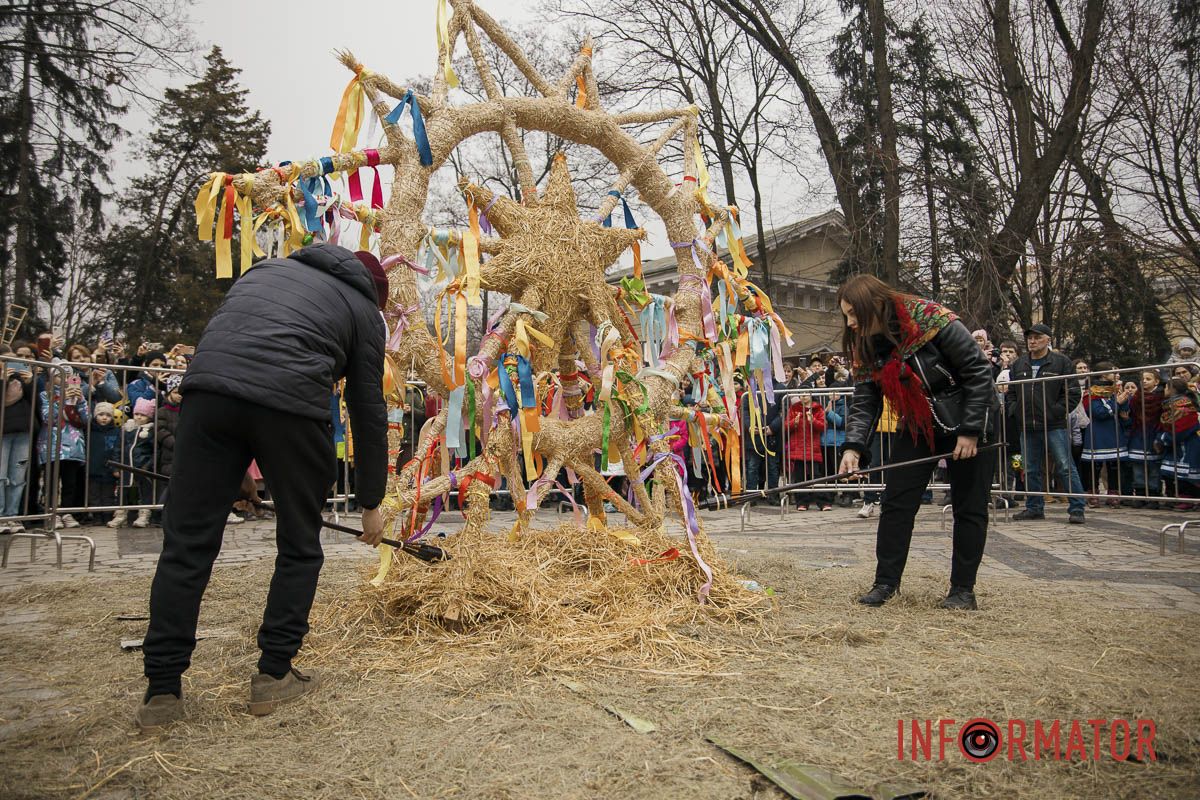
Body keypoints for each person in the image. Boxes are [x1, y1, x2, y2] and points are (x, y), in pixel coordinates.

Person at [136, 243, 389, 732]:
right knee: (299, 543)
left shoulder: (265, 270)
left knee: (186, 546)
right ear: (375, 293)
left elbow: (234, 361)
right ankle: (274, 672)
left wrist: (238, 473)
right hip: (292, 404)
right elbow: (366, 406)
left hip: (205, 398)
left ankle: (161, 690)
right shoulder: (363, 309)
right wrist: (371, 500)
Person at [836, 275, 998, 611]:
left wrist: (969, 431)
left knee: (969, 505)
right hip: (919, 422)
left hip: (968, 417)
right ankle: (885, 583)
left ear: (874, 306)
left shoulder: (931, 318)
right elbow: (866, 400)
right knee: (896, 501)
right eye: (846, 315)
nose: (850, 323)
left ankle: (962, 591)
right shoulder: (865, 342)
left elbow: (978, 371)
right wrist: (853, 447)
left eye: (854, 314)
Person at [1005, 324, 1086, 524]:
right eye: (1029, 338)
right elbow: (1011, 392)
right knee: (1030, 468)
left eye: (1037, 337)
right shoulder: (1019, 364)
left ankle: (1077, 508)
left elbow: (1073, 392)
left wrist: (1056, 411)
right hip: (1027, 424)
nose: (1032, 341)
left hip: (1054, 424)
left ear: (1048, 339)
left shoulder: (1061, 362)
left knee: (1065, 466)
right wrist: (1015, 409)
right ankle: (1034, 507)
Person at [1078, 363, 1131, 506]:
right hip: (1098, 434)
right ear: (1103, 374)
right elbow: (1099, 413)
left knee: (1114, 465)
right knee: (1095, 465)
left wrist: (1123, 400)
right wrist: (1117, 402)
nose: (1118, 375)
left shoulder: (1115, 391)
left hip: (1114, 432)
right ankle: (1092, 492)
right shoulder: (1091, 393)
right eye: (1114, 372)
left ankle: (1113, 492)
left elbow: (1123, 412)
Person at [1, 355, 35, 531]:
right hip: (3, 432)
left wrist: (30, 383)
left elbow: (35, 402)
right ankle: (0, 516)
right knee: (0, 476)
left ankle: (12, 516)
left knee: (17, 477)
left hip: (23, 430)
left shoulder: (21, 379)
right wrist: (2, 380)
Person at [1156, 377, 1200, 511]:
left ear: (1172, 389)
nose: (1164, 390)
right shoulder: (1170, 405)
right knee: (1174, 472)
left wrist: (1163, 439)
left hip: (1188, 444)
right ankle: (1181, 496)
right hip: (1177, 445)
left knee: (1187, 473)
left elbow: (1181, 429)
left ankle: (1189, 498)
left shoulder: (1184, 407)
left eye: (1166, 387)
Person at [1128, 370, 1165, 508]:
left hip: (1154, 433)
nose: (1144, 381)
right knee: (1138, 468)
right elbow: (1130, 414)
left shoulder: (1161, 397)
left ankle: (1154, 496)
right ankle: (1140, 493)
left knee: (1154, 469)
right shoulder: (1136, 397)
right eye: (1142, 379)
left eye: (1148, 379)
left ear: (1156, 381)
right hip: (1138, 434)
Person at [785, 392, 824, 510]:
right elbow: (786, 426)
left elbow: (823, 426)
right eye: (801, 394)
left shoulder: (818, 409)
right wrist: (794, 423)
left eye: (806, 394)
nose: (804, 396)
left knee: (816, 476)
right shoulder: (794, 408)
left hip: (813, 448)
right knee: (799, 476)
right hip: (798, 448)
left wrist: (813, 421)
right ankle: (802, 502)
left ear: (811, 395)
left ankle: (823, 502)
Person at [86, 402, 122, 526]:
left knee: (108, 494)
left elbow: (118, 450)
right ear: (95, 416)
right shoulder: (90, 431)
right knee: (93, 494)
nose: (104, 418)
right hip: (93, 467)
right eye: (101, 414)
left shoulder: (116, 432)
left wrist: (115, 467)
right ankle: (96, 515)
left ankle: (107, 515)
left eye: (108, 415)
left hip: (109, 468)